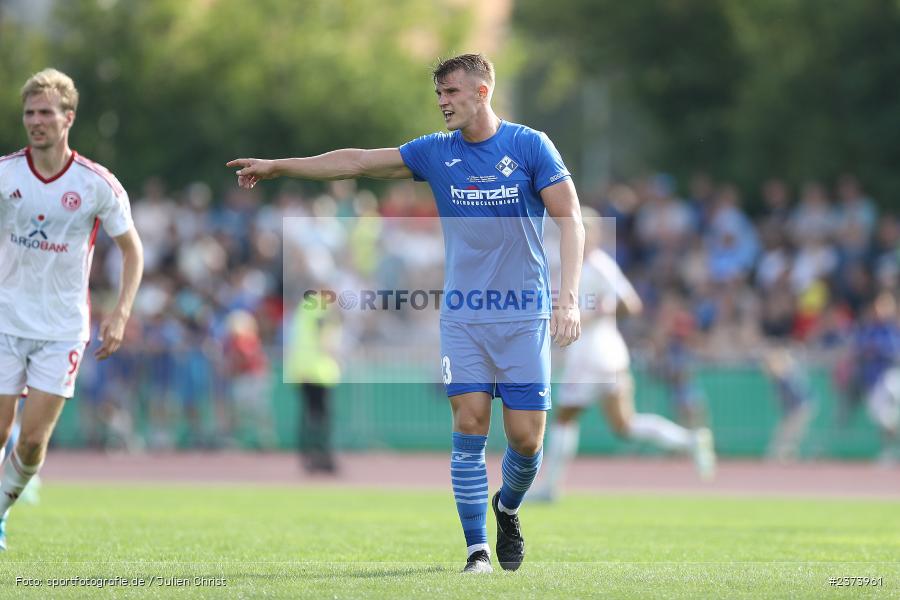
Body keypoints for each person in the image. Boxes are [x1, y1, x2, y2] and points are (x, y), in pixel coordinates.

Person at [228, 53, 583, 573]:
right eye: (438, 94)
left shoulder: (530, 145)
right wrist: (282, 166)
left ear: (482, 92)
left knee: (527, 442)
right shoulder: (436, 153)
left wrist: (568, 297)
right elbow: (357, 161)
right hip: (462, 316)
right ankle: (476, 550)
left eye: (452, 93)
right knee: (469, 421)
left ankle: (506, 509)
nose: (442, 103)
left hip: (523, 316)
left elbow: (571, 218)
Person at [0, 68, 144, 550]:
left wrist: (120, 312)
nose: (35, 122)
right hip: (4, 318)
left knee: (33, 443)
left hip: (62, 328)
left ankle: (0, 510)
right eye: (29, 113)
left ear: (68, 118)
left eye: (45, 113)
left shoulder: (96, 183)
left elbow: (132, 250)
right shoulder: (5, 174)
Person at [531, 214, 715, 502]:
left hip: (592, 355)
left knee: (564, 418)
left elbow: (631, 303)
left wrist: (596, 312)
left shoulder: (597, 265)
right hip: (611, 355)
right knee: (624, 425)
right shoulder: (576, 267)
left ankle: (551, 488)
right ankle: (690, 440)